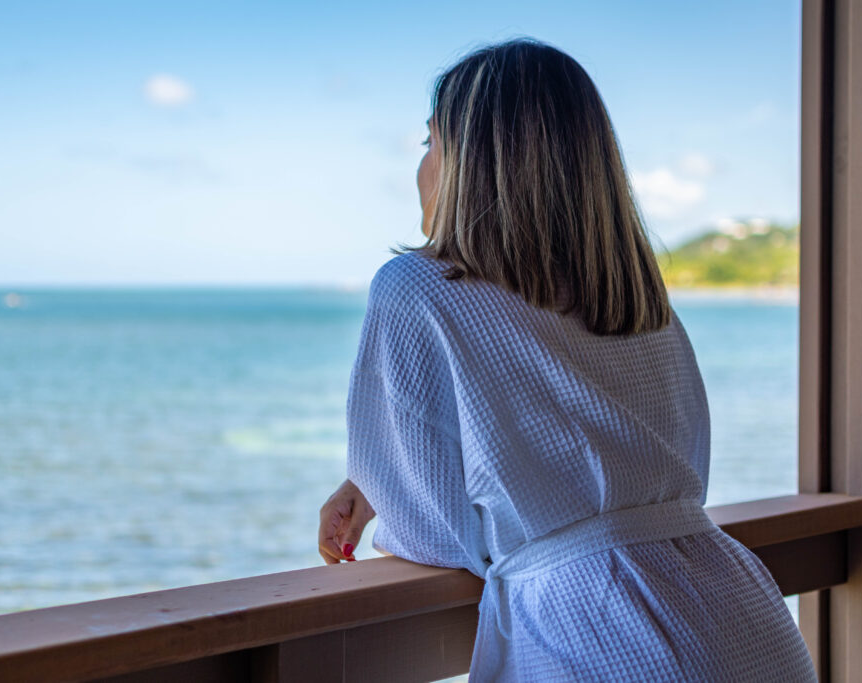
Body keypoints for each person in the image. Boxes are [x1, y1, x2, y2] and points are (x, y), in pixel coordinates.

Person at [317, 37, 816, 681]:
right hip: (743, 617)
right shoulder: (632, 290)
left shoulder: (416, 287)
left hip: (601, 634)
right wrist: (378, 477)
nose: (422, 167)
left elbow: (438, 534)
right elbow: (654, 462)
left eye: (430, 143)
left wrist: (393, 484)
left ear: (472, 162)